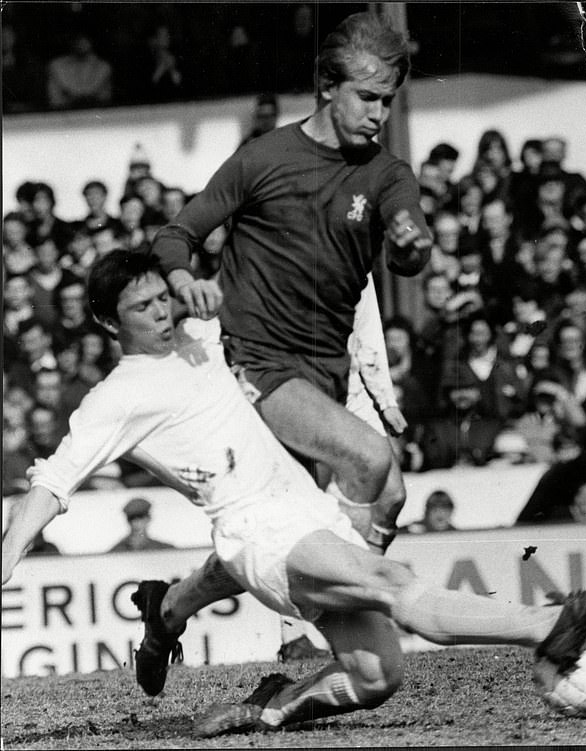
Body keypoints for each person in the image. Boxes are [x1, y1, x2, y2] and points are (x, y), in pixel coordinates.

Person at [1, 252, 586, 739]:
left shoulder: (205, 336)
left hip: (308, 510)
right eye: (144, 308)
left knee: (377, 676)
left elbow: (264, 287)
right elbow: (51, 485)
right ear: (110, 321)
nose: (163, 314)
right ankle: (552, 624)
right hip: (257, 534)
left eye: (165, 298)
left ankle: (267, 706)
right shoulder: (115, 398)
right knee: (390, 580)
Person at [150, 12, 432, 554]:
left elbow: (408, 249)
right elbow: (177, 234)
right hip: (259, 364)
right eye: (368, 97)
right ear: (327, 86)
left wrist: (410, 246)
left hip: (328, 370)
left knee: (386, 497)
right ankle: (349, 602)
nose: (380, 114)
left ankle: (170, 608)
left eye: (389, 100)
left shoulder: (388, 174)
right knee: (370, 461)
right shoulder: (262, 159)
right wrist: (184, 280)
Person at [109, 497, 175, 553]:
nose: (136, 522)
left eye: (140, 517)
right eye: (132, 518)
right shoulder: (118, 550)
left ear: (148, 518)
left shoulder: (162, 548)